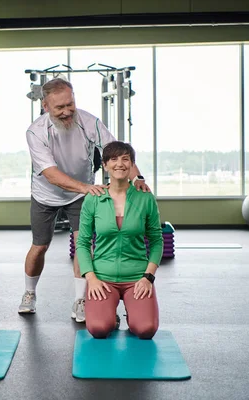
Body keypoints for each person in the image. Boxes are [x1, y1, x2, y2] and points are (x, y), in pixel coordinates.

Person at [18, 77, 151, 323]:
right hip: (46, 195)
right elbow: (51, 174)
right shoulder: (35, 132)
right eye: (60, 107)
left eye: (71, 104)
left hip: (81, 195)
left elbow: (117, 152)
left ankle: (80, 299)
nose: (67, 111)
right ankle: (29, 292)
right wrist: (87, 187)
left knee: (83, 243)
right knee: (40, 246)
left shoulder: (89, 122)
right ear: (46, 107)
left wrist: (138, 178)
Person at [76, 141, 163, 339]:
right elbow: (82, 243)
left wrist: (148, 277)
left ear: (132, 165)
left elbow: (157, 240)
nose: (120, 164)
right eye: (113, 159)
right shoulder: (94, 198)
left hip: (137, 278)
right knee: (99, 328)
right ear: (105, 165)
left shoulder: (145, 198)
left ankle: (134, 313)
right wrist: (91, 278)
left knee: (146, 329)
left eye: (126, 159)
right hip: (102, 278)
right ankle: (110, 315)